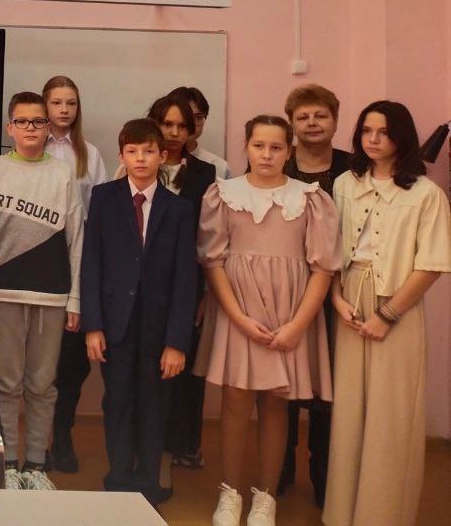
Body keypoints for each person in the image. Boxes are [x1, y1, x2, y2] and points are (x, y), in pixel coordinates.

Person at [195, 115, 340, 526]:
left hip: (289, 315)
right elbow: (212, 261)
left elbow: (323, 268)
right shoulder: (224, 194)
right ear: (246, 147)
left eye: (276, 147)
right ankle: (230, 493)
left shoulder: (309, 198)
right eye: (259, 145)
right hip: (238, 311)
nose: (267, 154)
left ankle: (266, 497)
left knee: (277, 405)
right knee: (236, 403)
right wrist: (238, 317)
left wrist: (298, 325)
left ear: (289, 152)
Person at [323, 101, 451, 526]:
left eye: (383, 131)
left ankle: (381, 516)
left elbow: (431, 265)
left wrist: (388, 314)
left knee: (391, 415)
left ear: (402, 137)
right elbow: (331, 251)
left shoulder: (426, 194)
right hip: (349, 300)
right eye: (366, 131)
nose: (373, 139)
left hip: (398, 304)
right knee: (349, 413)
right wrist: (337, 298)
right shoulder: (345, 183)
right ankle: (341, 513)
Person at [0, 91, 83, 490]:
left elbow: (76, 240)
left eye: (38, 121)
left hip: (51, 296)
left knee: (42, 385)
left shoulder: (62, 173)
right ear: (10, 127)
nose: (30, 128)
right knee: (7, 384)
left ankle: (36, 466)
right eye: (22, 121)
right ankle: (10, 466)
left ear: (48, 128)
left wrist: (75, 297)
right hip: (2, 293)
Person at [82, 118, 196, 506]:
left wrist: (177, 342)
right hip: (115, 324)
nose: (141, 158)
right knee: (117, 401)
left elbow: (185, 279)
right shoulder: (104, 198)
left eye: (148, 151)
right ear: (121, 156)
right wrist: (93, 325)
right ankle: (119, 476)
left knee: (154, 403)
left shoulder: (179, 209)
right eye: (132, 151)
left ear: (163, 156)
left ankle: (148, 479)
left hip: (159, 328)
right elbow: (92, 264)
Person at [278, 84, 350, 505]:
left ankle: (324, 475)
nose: (312, 123)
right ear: (291, 123)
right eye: (303, 117)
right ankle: (280, 467)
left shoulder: (353, 168)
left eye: (320, 115)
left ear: (335, 120)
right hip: (284, 287)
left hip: (338, 290)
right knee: (283, 382)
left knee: (328, 386)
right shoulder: (278, 162)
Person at [145, 88, 217, 475]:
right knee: (146, 373)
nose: (173, 133)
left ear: (192, 131)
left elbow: (207, 239)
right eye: (166, 125)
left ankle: (179, 447)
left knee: (182, 370)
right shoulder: (140, 164)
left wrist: (203, 293)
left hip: (186, 284)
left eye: (181, 126)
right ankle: (147, 449)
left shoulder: (206, 174)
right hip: (142, 286)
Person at [42, 74, 108, 474]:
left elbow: (99, 213)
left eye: (71, 103)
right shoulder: (32, 147)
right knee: (41, 362)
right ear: (44, 106)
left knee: (72, 362)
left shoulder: (90, 154)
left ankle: (62, 435)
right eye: (57, 102)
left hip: (77, 264)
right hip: (38, 264)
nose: (64, 110)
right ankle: (38, 440)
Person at [179, 86, 233, 180]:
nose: (191, 124)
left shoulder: (219, 168)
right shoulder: (155, 162)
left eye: (198, 117)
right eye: (185, 116)